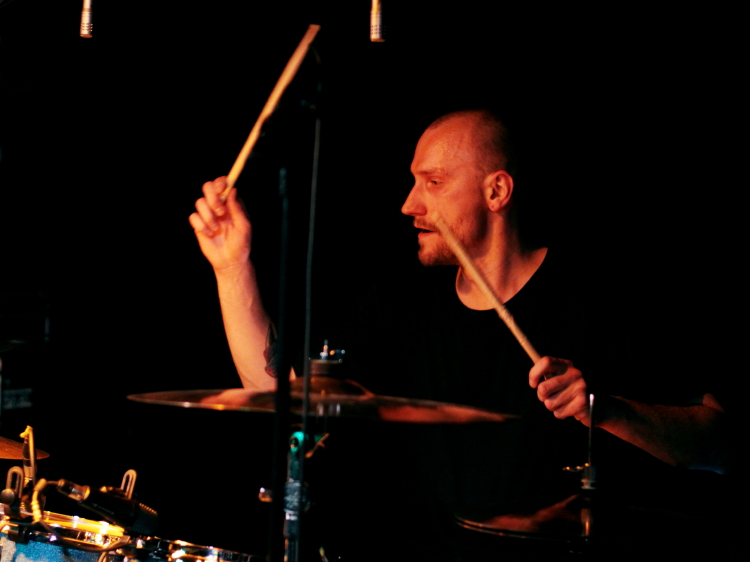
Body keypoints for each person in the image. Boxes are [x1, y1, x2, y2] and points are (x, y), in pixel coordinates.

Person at [189, 109, 731, 559]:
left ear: (497, 191)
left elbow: (718, 444)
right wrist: (232, 267)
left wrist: (603, 409)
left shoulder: (598, 298)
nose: (409, 204)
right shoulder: (398, 305)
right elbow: (279, 393)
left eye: (434, 183)